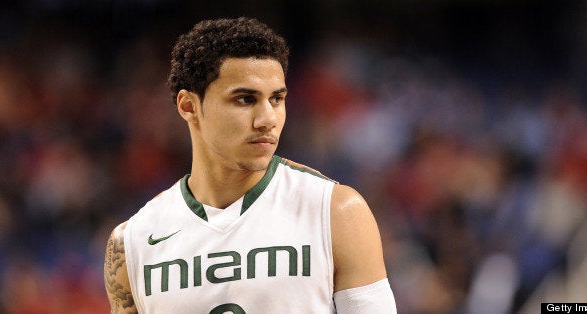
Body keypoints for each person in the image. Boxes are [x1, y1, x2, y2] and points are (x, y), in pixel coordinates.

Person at [103, 17, 396, 313]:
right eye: (245, 99)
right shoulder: (133, 242)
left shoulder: (334, 211)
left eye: (277, 99)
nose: (267, 119)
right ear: (189, 106)